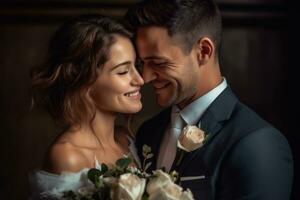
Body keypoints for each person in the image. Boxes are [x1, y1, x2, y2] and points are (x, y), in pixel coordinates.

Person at [124, 0, 293, 199]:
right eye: (142, 63)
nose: (145, 77)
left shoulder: (257, 143)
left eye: (159, 63)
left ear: (204, 51)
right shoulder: (148, 132)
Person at [29, 14, 144, 199]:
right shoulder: (67, 156)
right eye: (123, 71)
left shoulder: (126, 139)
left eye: (137, 66)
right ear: (85, 82)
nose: (140, 79)